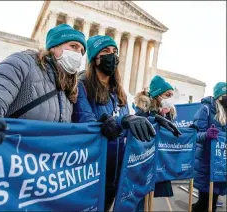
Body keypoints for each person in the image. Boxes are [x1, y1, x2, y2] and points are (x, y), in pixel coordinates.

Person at [72, 35, 180, 211]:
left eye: (114, 51)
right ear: (95, 58)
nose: (112, 56)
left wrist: (152, 120)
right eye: (105, 51)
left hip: (117, 170)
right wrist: (122, 121)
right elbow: (88, 123)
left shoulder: (118, 92)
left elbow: (129, 124)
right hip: (92, 170)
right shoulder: (82, 86)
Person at [0, 23, 86, 155]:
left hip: (45, 169)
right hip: (9, 163)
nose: (78, 54)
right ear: (54, 47)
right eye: (73, 46)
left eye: (81, 51)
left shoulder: (69, 89)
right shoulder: (22, 63)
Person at [133, 75, 180, 204]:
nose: (170, 98)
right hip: (143, 159)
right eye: (167, 95)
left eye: (171, 95)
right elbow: (139, 125)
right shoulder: (143, 109)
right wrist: (155, 116)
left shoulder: (169, 112)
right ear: (158, 95)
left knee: (150, 196)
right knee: (140, 197)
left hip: (159, 160)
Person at [192, 82, 227, 212]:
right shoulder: (205, 109)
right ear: (219, 96)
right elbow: (194, 136)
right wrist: (206, 135)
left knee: (212, 201)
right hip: (206, 163)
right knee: (206, 201)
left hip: (221, 163)